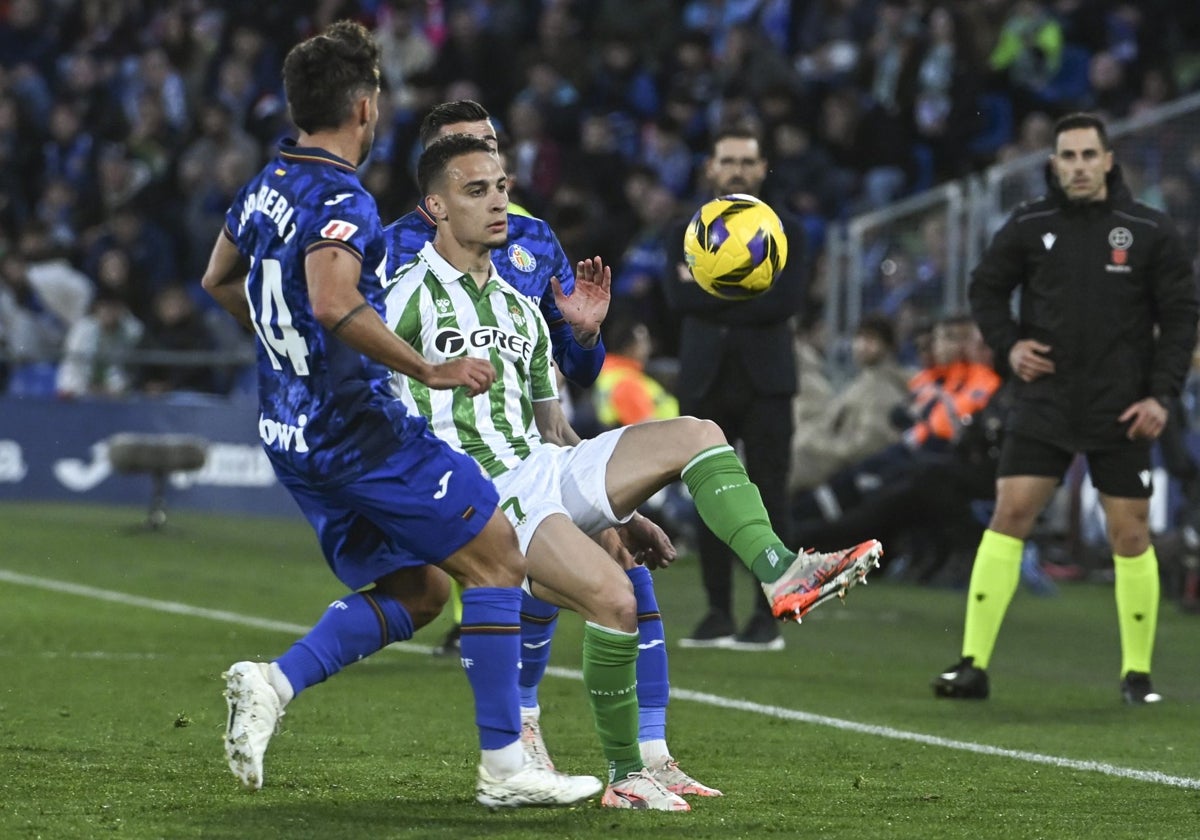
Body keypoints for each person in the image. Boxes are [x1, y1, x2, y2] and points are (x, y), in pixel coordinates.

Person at [385, 135, 882, 803]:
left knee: (699, 434)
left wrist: (618, 502)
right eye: (478, 191)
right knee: (617, 597)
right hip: (483, 493)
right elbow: (363, 403)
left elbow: (553, 427)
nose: (499, 201)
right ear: (435, 207)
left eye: (502, 185)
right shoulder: (403, 296)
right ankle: (624, 776)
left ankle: (781, 572)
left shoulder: (518, 307)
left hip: (541, 465)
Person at [200, 21, 600, 808]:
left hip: (288, 433)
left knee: (419, 590)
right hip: (356, 431)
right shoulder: (339, 194)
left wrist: (287, 354)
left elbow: (219, 277)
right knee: (495, 555)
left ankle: (273, 685)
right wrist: (428, 368)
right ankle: (506, 770)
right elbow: (329, 296)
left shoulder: (268, 182)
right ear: (364, 107)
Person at [931, 112, 1199, 705]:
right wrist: (1009, 346)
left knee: (1129, 533)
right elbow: (985, 288)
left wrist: (1161, 395)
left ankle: (1138, 677)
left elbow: (1181, 318)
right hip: (1046, 398)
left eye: (1087, 155)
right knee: (1011, 514)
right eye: (1067, 156)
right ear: (1054, 163)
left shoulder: (1146, 230)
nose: (1077, 166)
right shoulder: (1031, 223)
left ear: (1108, 160)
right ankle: (971, 664)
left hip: (1122, 404)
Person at [384, 99, 608, 660]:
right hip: (434, 451)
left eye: (489, 145)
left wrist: (583, 338)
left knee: (617, 557)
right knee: (427, 589)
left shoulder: (534, 239)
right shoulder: (387, 251)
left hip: (531, 439)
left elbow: (577, 367)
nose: (481, 156)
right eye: (463, 147)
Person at [662, 126, 810, 651]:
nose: (737, 170)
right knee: (710, 495)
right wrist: (747, 291)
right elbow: (677, 302)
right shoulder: (682, 228)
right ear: (711, 166)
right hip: (705, 378)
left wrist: (712, 290)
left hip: (767, 381)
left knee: (772, 495)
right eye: (728, 160)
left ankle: (771, 611)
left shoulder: (789, 229)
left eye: (747, 161)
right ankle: (718, 612)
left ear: (762, 166)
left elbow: (785, 303)